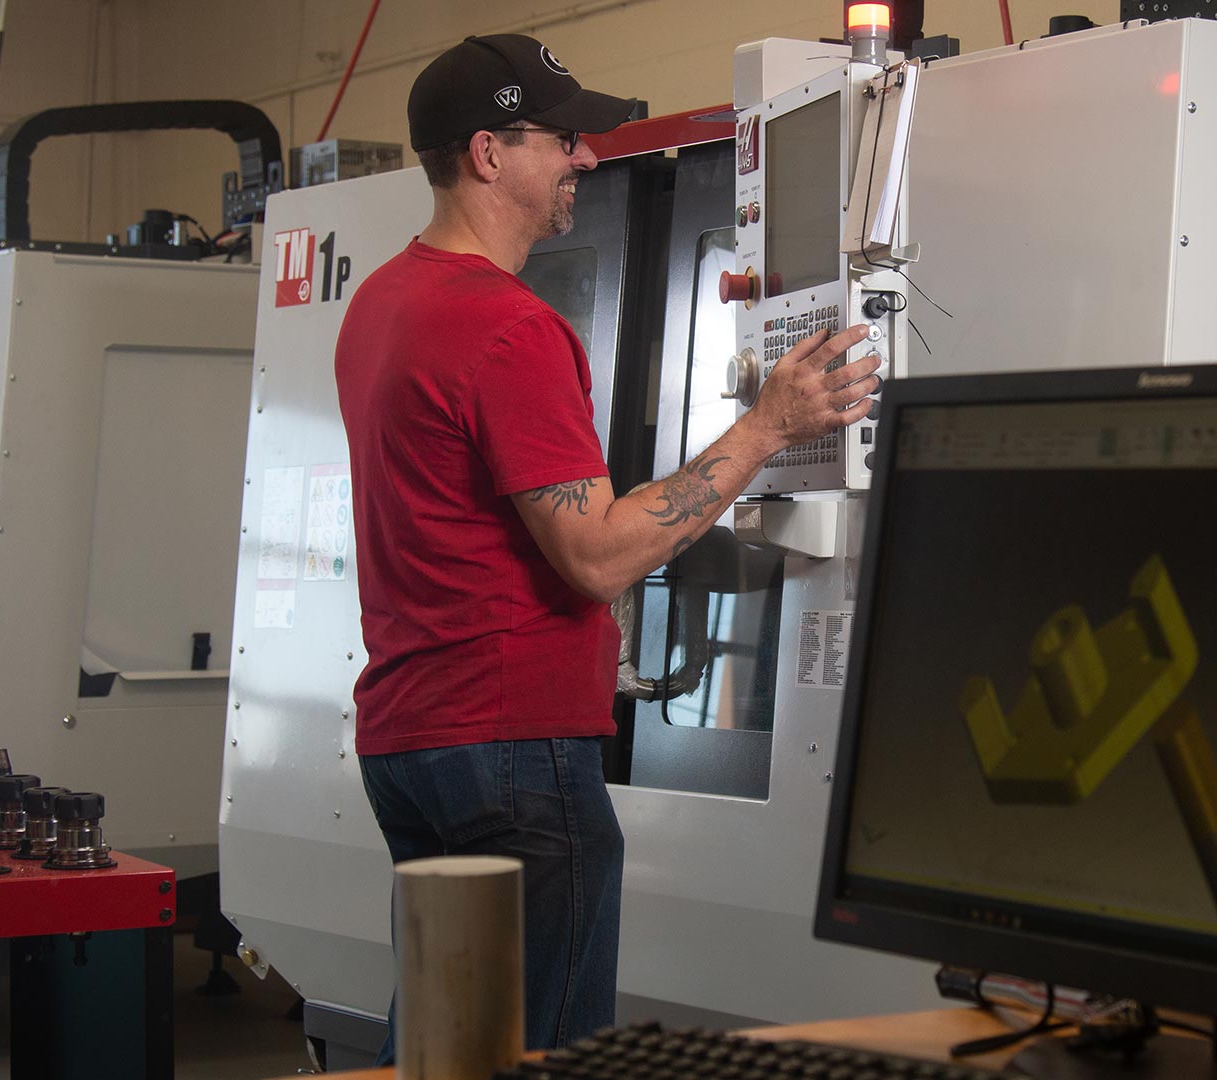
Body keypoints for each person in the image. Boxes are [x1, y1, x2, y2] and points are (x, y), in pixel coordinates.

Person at [334, 32, 881, 1056]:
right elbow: (594, 557)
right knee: (532, 1056)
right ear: (489, 153)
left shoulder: (382, 305)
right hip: (512, 750)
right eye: (564, 138)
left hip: (413, 740)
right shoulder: (509, 328)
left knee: (448, 1052)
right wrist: (768, 426)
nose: (586, 158)